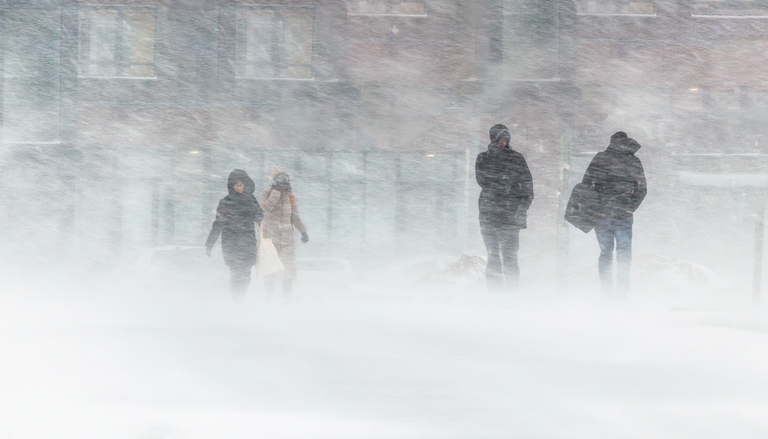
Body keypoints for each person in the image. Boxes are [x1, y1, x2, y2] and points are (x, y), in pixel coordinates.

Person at [582, 131, 647, 295]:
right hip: (623, 215)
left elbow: (585, 184)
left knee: (605, 252)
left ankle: (607, 291)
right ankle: (623, 290)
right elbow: (641, 189)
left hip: (602, 215)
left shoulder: (600, 158)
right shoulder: (633, 161)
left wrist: (595, 203)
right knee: (624, 254)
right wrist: (629, 206)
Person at [475, 124, 534, 292]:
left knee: (510, 257)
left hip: (510, 216)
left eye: (507, 138)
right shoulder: (483, 158)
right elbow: (482, 180)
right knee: (493, 255)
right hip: (489, 215)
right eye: (501, 138)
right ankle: (496, 294)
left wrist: (521, 208)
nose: (504, 142)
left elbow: (528, 188)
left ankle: (512, 293)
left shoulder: (516, 158)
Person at [205, 169, 263, 297]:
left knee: (246, 275)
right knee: (236, 274)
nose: (241, 187)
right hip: (232, 245)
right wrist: (210, 243)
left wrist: (256, 212)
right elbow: (218, 224)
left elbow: (259, 217)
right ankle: (237, 300)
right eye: (238, 184)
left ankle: (240, 300)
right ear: (233, 185)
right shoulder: (225, 203)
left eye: (243, 184)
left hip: (248, 244)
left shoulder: (250, 200)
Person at [259, 168, 308, 299]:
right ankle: (268, 299)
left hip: (287, 242)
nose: (284, 184)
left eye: (286, 181)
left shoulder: (290, 198)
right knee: (270, 273)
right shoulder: (267, 194)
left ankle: (287, 301)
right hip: (270, 242)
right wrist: (276, 193)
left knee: (288, 273)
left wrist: (303, 231)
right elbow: (266, 207)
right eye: (281, 181)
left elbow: (295, 217)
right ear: (274, 182)